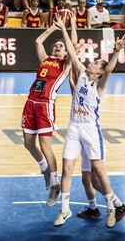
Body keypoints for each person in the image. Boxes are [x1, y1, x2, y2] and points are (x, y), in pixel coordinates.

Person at [52, 16, 125, 228]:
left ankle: (112, 208)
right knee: (67, 169)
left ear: (99, 72)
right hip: (73, 127)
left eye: (95, 63)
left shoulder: (99, 85)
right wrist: (64, 29)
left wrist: (116, 51)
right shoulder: (82, 74)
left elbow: (110, 69)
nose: (91, 62)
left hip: (90, 130)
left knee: (98, 170)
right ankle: (64, 209)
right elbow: (70, 48)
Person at [21, 20, 73, 206]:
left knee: (45, 145)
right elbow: (38, 42)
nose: (58, 47)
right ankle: (44, 169)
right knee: (28, 143)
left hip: (45, 105)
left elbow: (72, 45)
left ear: (66, 52)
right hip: (30, 103)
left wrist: (66, 27)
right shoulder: (46, 60)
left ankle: (55, 184)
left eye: (61, 46)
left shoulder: (65, 65)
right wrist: (54, 27)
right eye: (56, 45)